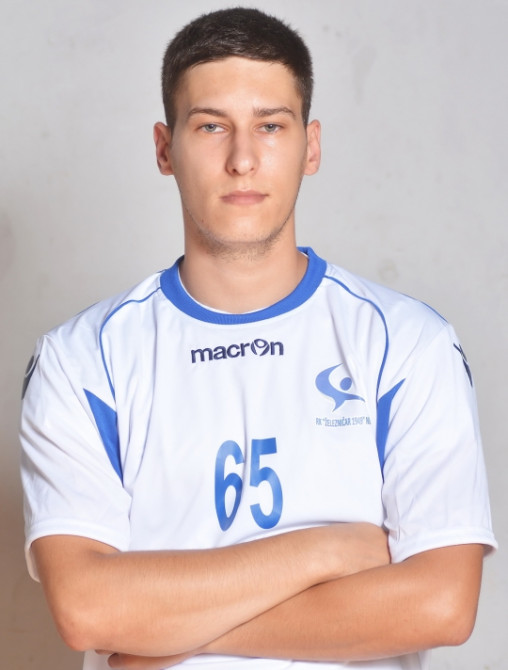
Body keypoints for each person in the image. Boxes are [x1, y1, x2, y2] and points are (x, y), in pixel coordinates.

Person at [20, 7, 496, 670]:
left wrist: (165, 629)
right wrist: (328, 549)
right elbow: (89, 611)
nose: (243, 159)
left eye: (271, 125)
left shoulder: (408, 344)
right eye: (211, 126)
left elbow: (440, 605)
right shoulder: (80, 360)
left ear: (311, 146)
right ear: (165, 149)